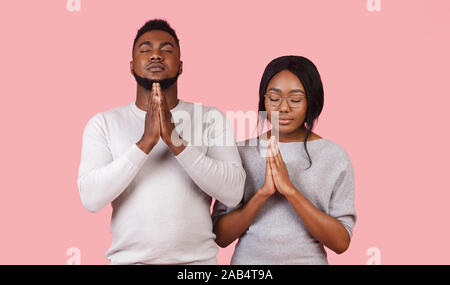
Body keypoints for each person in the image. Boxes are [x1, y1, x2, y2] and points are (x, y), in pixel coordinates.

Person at [77, 19, 245, 265]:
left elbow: (233, 193)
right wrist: (145, 143)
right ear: (132, 66)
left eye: (166, 50)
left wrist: (177, 142)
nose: (156, 55)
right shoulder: (103, 123)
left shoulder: (209, 118)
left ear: (181, 65)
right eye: (146, 50)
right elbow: (91, 198)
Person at [212, 55, 356, 265]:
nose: (284, 108)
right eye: (274, 98)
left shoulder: (334, 156)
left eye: (295, 100)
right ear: (263, 100)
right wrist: (263, 193)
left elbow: (341, 242)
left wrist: (290, 191)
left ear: (312, 101)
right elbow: (221, 237)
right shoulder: (240, 152)